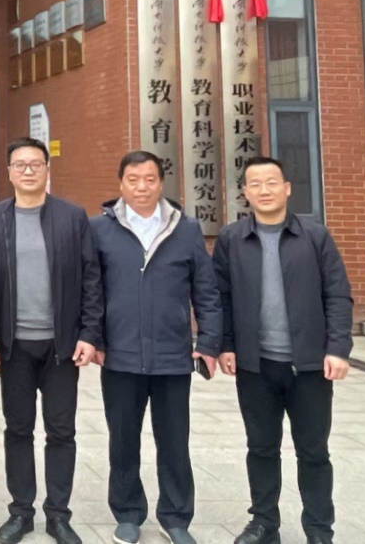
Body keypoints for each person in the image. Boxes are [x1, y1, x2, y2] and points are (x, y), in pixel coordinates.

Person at [212, 156, 353, 544]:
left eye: (271, 182)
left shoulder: (315, 237)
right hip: (255, 365)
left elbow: (338, 295)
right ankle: (264, 524)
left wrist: (338, 348)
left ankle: (319, 530)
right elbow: (220, 297)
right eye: (255, 184)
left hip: (309, 366)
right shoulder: (231, 239)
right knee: (261, 448)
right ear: (245, 192)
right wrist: (225, 345)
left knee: (313, 452)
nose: (264, 190)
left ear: (287, 188)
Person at [89, 150, 221, 544]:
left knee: (175, 441)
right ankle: (128, 512)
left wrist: (209, 342)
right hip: (120, 356)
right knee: (122, 440)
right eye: (133, 179)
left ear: (161, 183)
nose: (141, 187)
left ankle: (176, 517)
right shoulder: (100, 229)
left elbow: (206, 292)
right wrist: (94, 338)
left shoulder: (187, 229)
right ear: (121, 184)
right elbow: (90, 290)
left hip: (173, 357)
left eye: (149, 179)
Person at [0, 138, 103, 544]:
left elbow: (91, 278)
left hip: (61, 346)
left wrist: (89, 334)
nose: (28, 170)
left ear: (47, 169)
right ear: (9, 172)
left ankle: (58, 515)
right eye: (20, 165)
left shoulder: (71, 216)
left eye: (36, 164)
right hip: (13, 346)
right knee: (18, 429)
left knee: (61, 431)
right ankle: (21, 512)